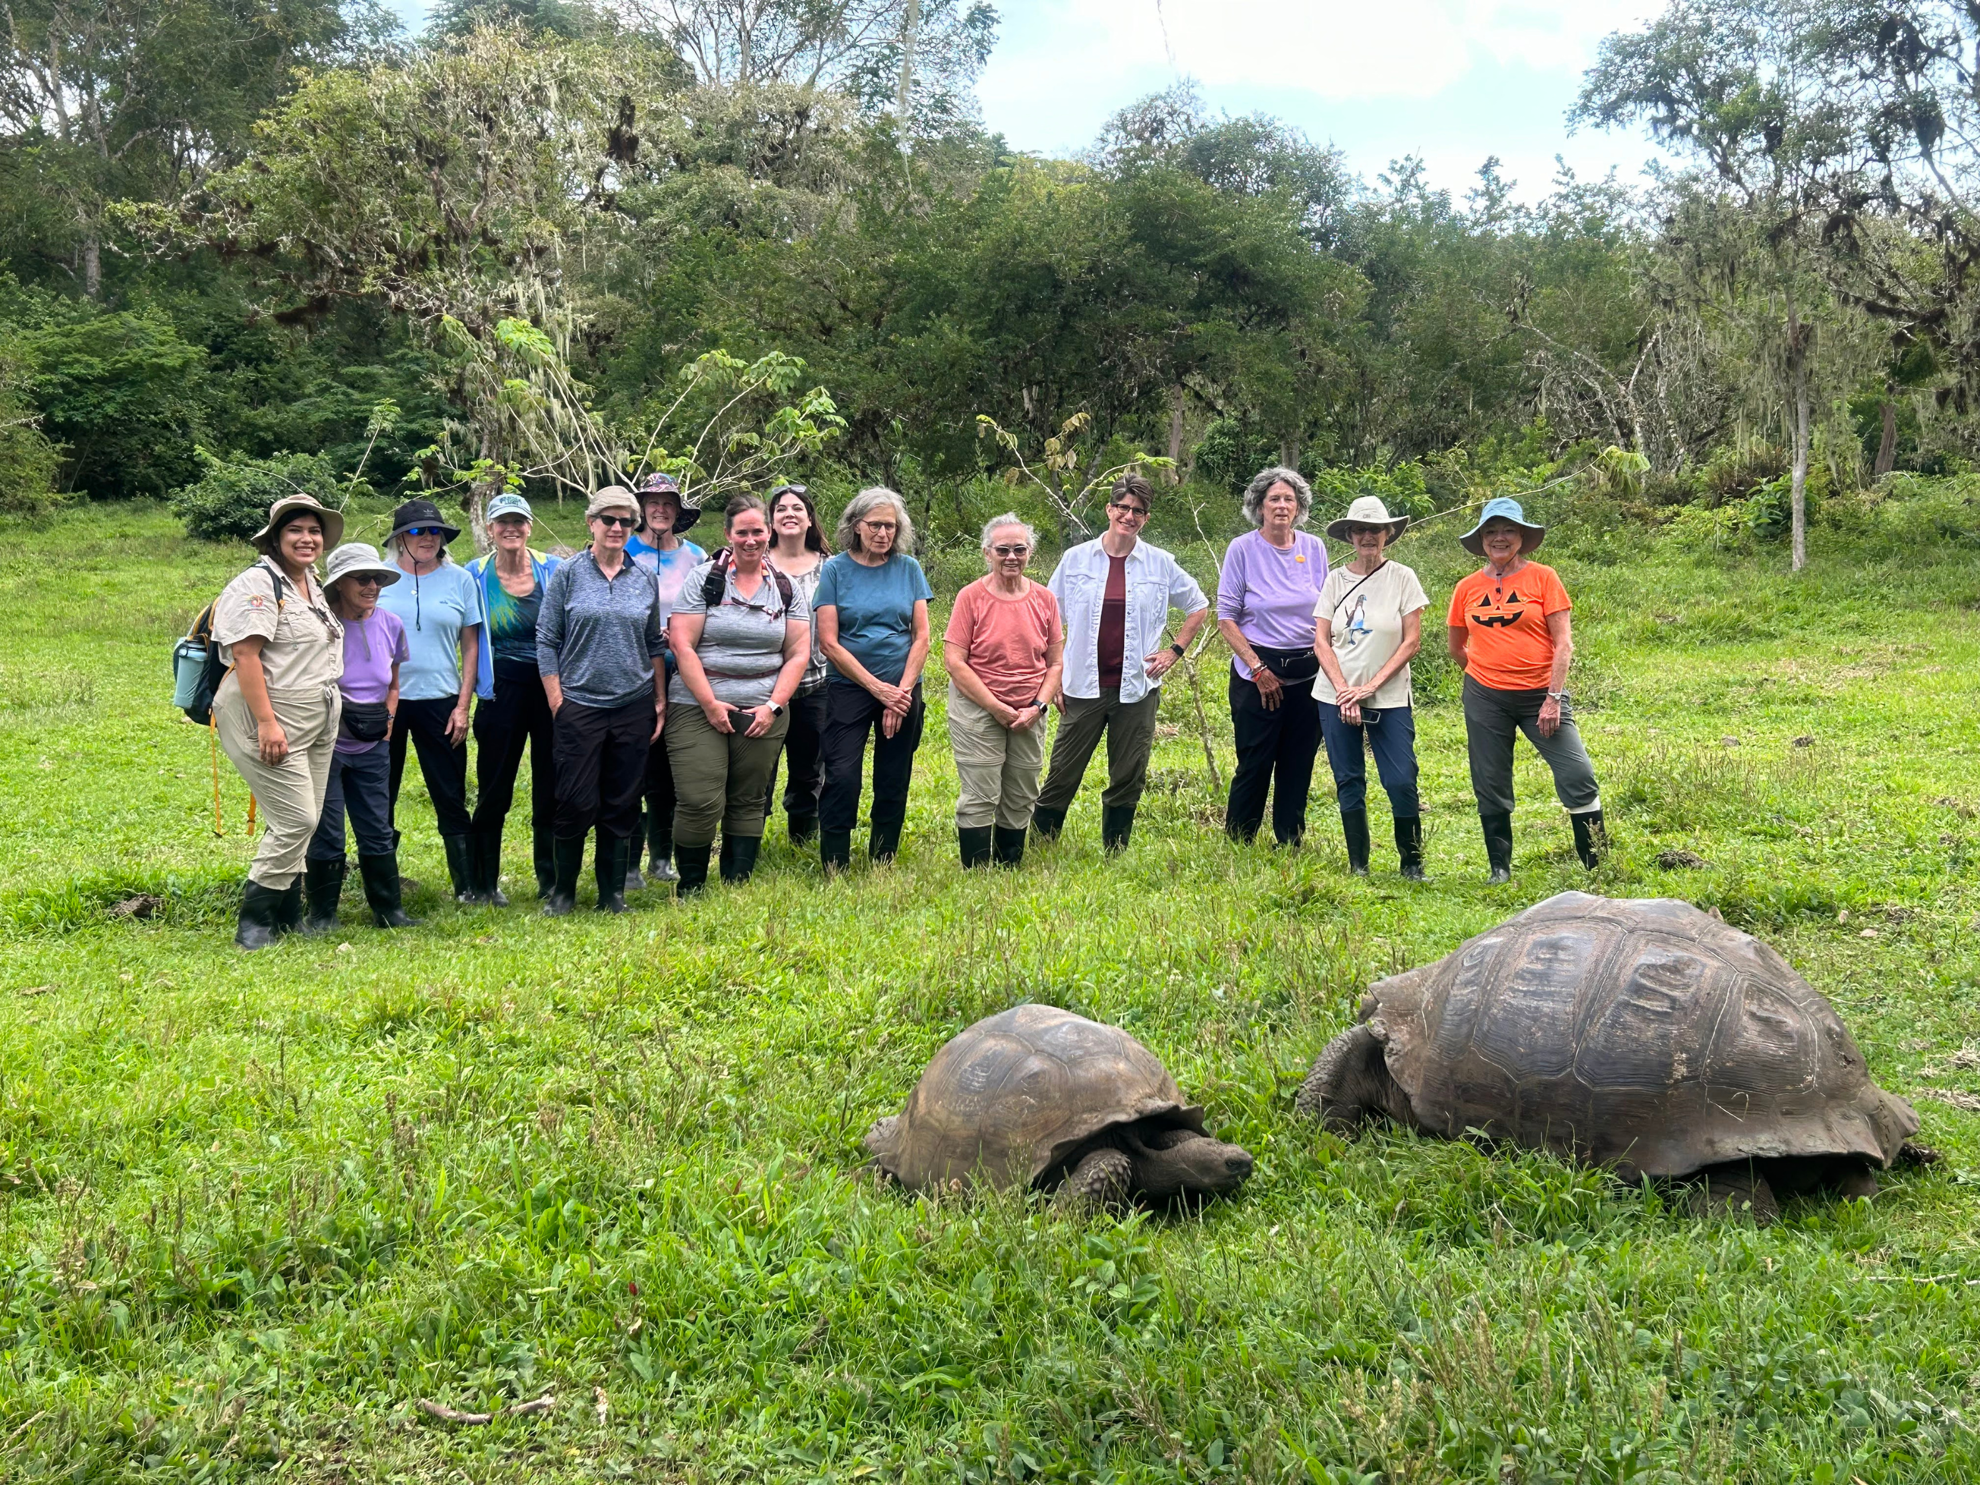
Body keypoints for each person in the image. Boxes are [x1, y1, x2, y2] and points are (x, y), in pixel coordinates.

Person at [1032, 472, 1209, 853]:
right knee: (1063, 769)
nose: (1129, 516)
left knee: (1128, 772)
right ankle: (1041, 842)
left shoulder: (1160, 563)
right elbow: (1047, 617)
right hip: (1081, 685)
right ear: (1109, 508)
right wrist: (1053, 676)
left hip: (1136, 687)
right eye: (1123, 507)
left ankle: (1116, 848)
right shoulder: (1075, 559)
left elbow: (1198, 605)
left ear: (1146, 518)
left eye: (1138, 511)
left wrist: (1174, 651)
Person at [209, 494, 345, 949]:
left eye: (314, 531)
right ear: (276, 537)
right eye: (295, 531)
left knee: (297, 818)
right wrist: (267, 723)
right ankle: (255, 920)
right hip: (268, 718)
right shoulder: (258, 584)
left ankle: (288, 916)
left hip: (317, 719)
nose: (307, 539)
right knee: (297, 820)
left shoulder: (310, 582)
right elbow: (246, 655)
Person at [1446, 496, 1605, 882]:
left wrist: (1553, 696)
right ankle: (1499, 868)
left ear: (1521, 536)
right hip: (1485, 696)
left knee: (1576, 772)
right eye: (1492, 531)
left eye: (1508, 530)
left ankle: (1596, 862)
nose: (1500, 538)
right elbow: (1455, 646)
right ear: (1481, 538)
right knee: (1490, 778)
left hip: (1541, 695)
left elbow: (1563, 643)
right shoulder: (1466, 588)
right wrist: (1486, 675)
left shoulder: (1544, 578)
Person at [666, 495, 812, 893]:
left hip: (763, 706)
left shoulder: (785, 587)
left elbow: (798, 653)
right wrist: (710, 704)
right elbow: (682, 644)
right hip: (697, 703)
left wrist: (773, 706)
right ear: (728, 535)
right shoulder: (704, 579)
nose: (751, 540)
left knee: (749, 797)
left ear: (769, 533)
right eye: (742, 532)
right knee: (699, 798)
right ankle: (691, 885)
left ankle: (737, 880)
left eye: (758, 532)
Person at [536, 487, 668, 915]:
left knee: (622, 800)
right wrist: (557, 699)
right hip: (580, 703)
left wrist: (659, 699)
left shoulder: (644, 577)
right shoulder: (569, 573)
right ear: (591, 523)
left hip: (633, 703)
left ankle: (612, 893)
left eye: (625, 522)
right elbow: (546, 638)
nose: (616, 528)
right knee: (575, 800)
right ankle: (563, 892)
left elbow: (653, 642)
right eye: (608, 520)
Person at [813, 488, 933, 870]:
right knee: (842, 773)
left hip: (902, 687)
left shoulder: (909, 569)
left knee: (893, 773)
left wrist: (900, 693)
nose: (883, 533)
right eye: (875, 525)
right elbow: (828, 643)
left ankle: (883, 856)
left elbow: (922, 637)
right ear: (856, 526)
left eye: (891, 526)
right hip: (850, 686)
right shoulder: (834, 569)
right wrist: (877, 689)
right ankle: (835, 861)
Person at [304, 542, 419, 932]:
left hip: (373, 743)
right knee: (328, 828)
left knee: (376, 826)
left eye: (377, 578)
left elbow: (394, 682)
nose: (372, 586)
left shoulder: (391, 624)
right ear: (339, 584)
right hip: (326, 744)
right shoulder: (321, 628)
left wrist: (388, 720)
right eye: (362, 578)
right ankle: (322, 916)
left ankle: (390, 912)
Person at [1313, 495, 1429, 879]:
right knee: (1349, 778)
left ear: (1387, 534)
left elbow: (1411, 641)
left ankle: (1411, 863)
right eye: (1360, 529)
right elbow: (1321, 640)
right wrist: (1345, 689)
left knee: (1400, 778)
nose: (1368, 537)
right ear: (1349, 535)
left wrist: (1371, 686)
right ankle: (1358, 864)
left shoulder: (1403, 577)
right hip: (1334, 695)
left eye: (1375, 530)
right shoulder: (1335, 580)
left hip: (1389, 696)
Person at [375, 498, 484, 903]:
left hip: (441, 700)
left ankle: (466, 886)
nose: (429, 538)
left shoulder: (460, 580)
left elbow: (470, 646)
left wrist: (463, 705)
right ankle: (383, 886)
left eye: (435, 531)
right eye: (419, 531)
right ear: (400, 537)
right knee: (380, 790)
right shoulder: (379, 579)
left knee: (449, 791)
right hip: (384, 703)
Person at [1217, 466, 1330, 846]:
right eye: (1274, 499)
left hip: (1308, 674)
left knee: (1299, 761)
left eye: (1289, 499)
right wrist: (1258, 668)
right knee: (1255, 759)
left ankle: (1289, 839)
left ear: (1299, 507)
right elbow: (1227, 619)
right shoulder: (1242, 548)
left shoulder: (1314, 548)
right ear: (1259, 506)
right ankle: (1239, 839)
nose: (1282, 506)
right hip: (1259, 672)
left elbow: (1325, 611)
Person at [944, 515, 1063, 869]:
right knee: (981, 790)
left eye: (1020, 549)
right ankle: (978, 872)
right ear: (987, 553)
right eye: (1003, 550)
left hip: (1029, 710)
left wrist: (1038, 707)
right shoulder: (971, 597)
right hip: (978, 708)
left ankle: (1009, 865)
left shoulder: (1045, 599)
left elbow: (1055, 662)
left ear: (1030, 554)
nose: (1011, 556)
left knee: (1022, 789)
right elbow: (954, 661)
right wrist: (995, 707)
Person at [465, 493, 561, 905]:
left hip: (550, 690)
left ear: (529, 526)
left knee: (552, 785)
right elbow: (466, 635)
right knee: (494, 786)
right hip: (499, 691)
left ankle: (551, 879)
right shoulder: (474, 574)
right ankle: (483, 883)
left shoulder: (553, 570)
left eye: (518, 521)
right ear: (490, 530)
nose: (511, 528)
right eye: (502, 522)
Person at [623, 473, 706, 887]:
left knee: (669, 767)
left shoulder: (696, 557)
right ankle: (627, 862)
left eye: (667, 502)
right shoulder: (623, 550)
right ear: (641, 508)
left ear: (678, 510)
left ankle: (661, 857)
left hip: (683, 671)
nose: (659, 509)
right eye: (652, 502)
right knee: (632, 764)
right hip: (630, 669)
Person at [761, 482, 830, 844]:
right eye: (781, 509)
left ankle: (802, 839)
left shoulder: (830, 568)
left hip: (817, 683)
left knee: (809, 768)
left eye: (797, 508)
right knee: (759, 767)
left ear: (809, 519)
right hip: (763, 684)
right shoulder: (754, 563)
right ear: (770, 521)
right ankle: (748, 838)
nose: (789, 514)